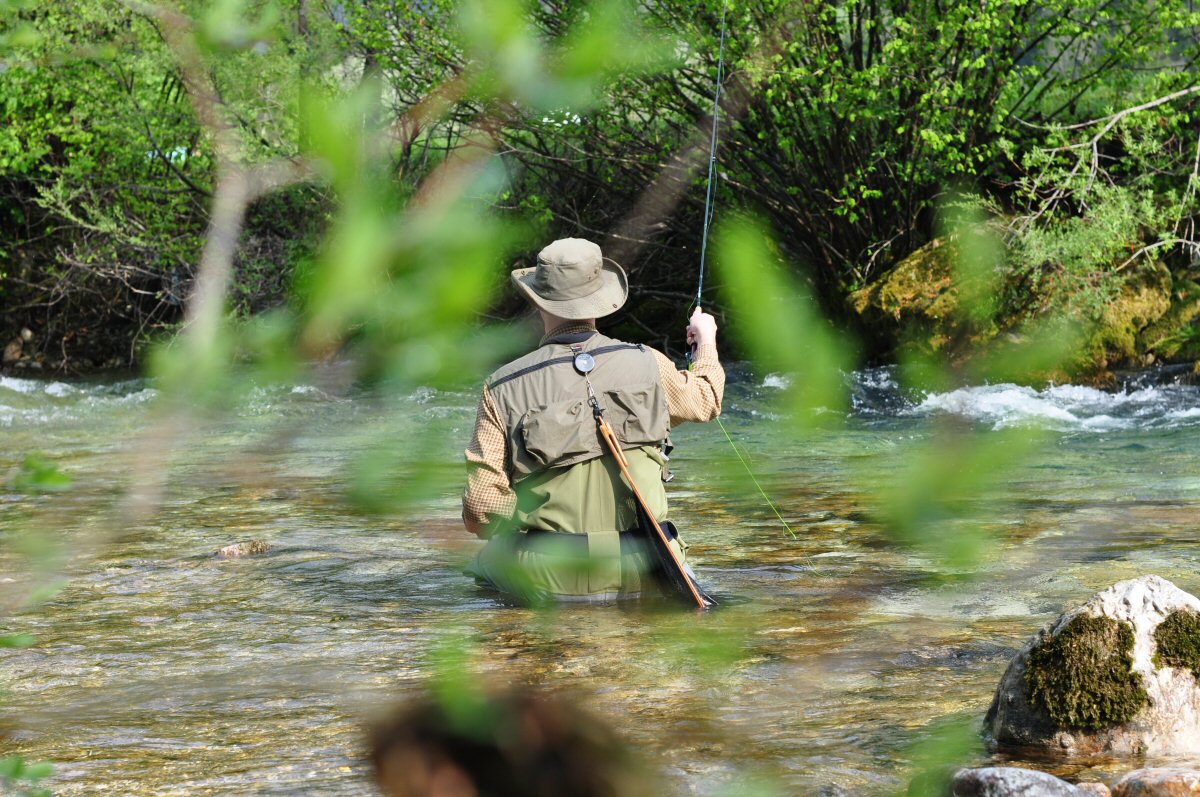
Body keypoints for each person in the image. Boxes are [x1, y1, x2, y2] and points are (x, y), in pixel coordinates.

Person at [462, 237, 724, 603]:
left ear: (538, 302)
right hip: (652, 568)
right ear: (600, 298)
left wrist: (524, 517)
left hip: (553, 578)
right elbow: (707, 399)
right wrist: (706, 342)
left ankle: (519, 635)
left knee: (484, 563)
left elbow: (480, 512)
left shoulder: (501, 387)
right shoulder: (649, 363)